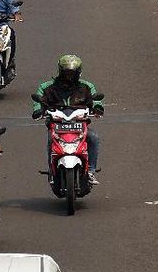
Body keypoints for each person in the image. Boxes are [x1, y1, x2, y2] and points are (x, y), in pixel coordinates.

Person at [32, 55, 104, 184]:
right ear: (60, 71)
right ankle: (52, 171)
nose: (69, 76)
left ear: (78, 72)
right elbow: (38, 99)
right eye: (66, 73)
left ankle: (91, 171)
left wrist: (98, 108)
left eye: (72, 73)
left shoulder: (87, 87)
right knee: (51, 139)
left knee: (93, 137)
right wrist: (38, 110)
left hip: (79, 124)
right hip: (57, 124)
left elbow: (96, 99)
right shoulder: (47, 87)